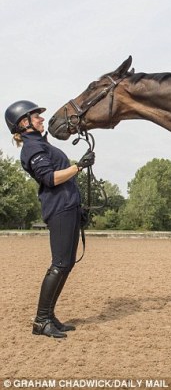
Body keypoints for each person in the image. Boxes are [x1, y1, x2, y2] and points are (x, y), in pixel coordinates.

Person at [5, 100, 95, 338]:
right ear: (24, 123)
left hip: (68, 207)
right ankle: (41, 320)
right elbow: (50, 178)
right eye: (37, 116)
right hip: (59, 209)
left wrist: (78, 207)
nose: (42, 119)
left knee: (66, 263)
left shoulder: (41, 144)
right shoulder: (32, 149)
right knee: (60, 263)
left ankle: (49, 316)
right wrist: (79, 166)